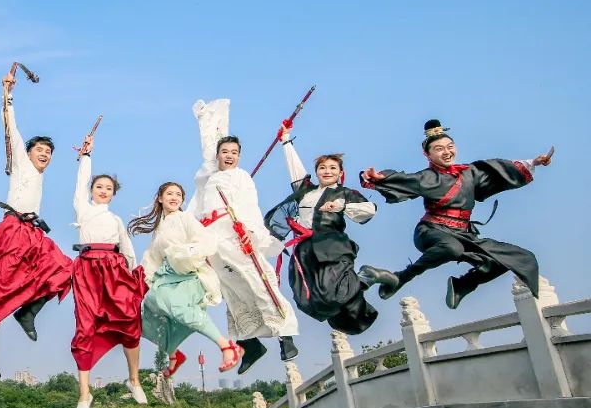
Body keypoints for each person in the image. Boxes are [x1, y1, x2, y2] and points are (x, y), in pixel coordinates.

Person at [359, 119, 554, 308]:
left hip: (463, 234)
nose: (446, 152)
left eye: (450, 147)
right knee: (452, 248)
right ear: (427, 155)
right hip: (431, 231)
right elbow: (404, 179)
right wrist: (378, 177)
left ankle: (462, 285)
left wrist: (534, 162)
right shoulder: (427, 177)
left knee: (515, 259)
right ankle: (401, 278)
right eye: (439, 149)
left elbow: (499, 171)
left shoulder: (469, 173)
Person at [186, 99, 297, 374]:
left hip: (235, 233)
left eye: (234, 152)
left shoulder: (242, 177)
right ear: (217, 155)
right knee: (231, 289)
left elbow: (249, 207)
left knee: (256, 279)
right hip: (213, 240)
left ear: (239, 156)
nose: (229, 156)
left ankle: (285, 334)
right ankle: (249, 343)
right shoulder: (208, 180)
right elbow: (196, 212)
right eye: (224, 151)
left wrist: (250, 232)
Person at [0, 73, 72, 379]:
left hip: (32, 233)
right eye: (39, 149)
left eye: (48, 152)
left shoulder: (40, 176)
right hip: (11, 231)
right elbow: (10, 128)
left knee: (64, 269)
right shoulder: (21, 164)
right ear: (27, 153)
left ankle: (27, 314)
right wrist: (8, 94)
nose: (44, 154)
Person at [263, 123, 379, 335]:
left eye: (333, 168)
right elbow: (294, 169)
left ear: (341, 173)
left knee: (329, 292)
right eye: (322, 168)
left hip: (331, 246)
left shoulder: (344, 193)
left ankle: (365, 278)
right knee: (306, 301)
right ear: (316, 172)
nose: (327, 171)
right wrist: (285, 140)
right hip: (305, 250)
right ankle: (349, 307)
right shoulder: (305, 192)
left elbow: (370, 210)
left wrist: (341, 206)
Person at [130, 182, 243, 383]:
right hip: (167, 279)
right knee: (146, 313)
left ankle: (227, 346)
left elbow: (206, 242)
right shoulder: (160, 228)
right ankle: (173, 353)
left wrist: (184, 253)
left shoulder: (185, 218)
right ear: (160, 198)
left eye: (178, 194)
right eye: (169, 193)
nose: (174, 197)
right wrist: (147, 275)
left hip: (189, 276)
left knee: (180, 309)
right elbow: (153, 256)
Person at [71, 132, 148, 408]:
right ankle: (84, 395)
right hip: (87, 271)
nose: (103, 191)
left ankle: (134, 379)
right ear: (91, 190)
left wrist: (133, 278)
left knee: (130, 319)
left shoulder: (116, 220)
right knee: (85, 328)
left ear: (114, 194)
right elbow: (81, 182)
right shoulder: (83, 208)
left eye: (109, 188)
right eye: (99, 186)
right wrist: (86, 157)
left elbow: (128, 253)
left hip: (114, 270)